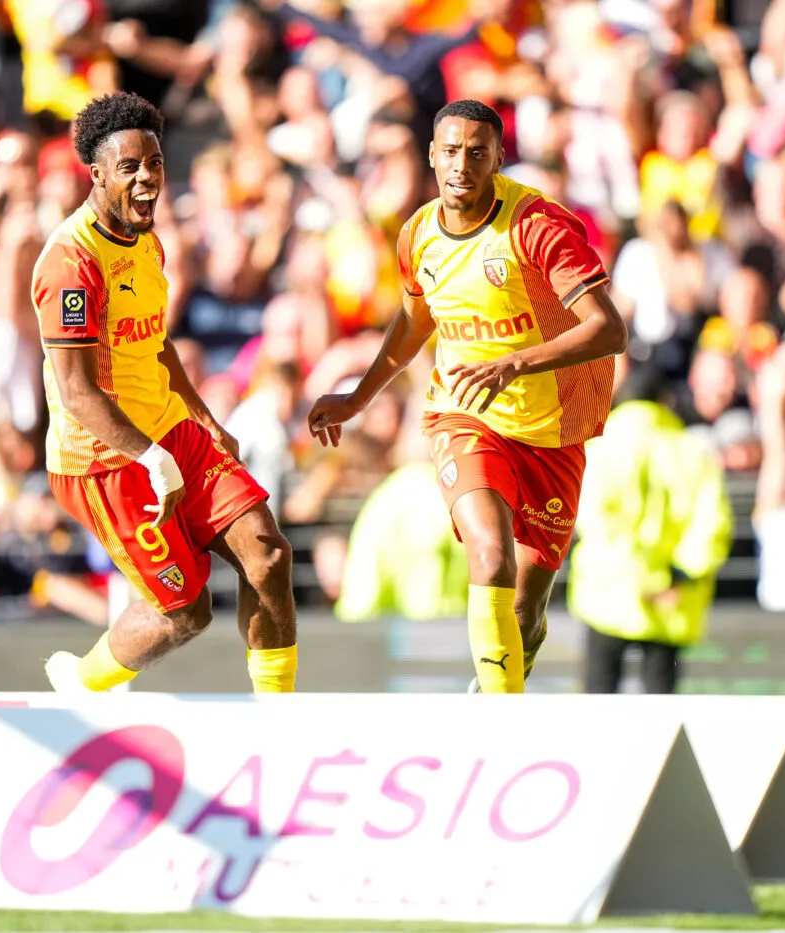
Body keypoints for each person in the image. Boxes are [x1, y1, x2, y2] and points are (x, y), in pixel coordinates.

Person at [308, 99, 628, 694]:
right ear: (432, 155)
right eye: (450, 151)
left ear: (498, 158)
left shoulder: (536, 227)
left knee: (527, 616)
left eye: (477, 153)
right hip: (465, 414)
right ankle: (497, 727)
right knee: (490, 552)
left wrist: (516, 363)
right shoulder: (418, 236)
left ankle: (487, 697)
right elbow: (412, 326)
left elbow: (609, 330)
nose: (462, 165)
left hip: (554, 427)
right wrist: (359, 398)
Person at [34, 92, 297, 694]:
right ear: (96, 174)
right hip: (106, 457)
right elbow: (76, 392)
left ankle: (279, 726)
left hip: (173, 429)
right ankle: (81, 681)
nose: (148, 177)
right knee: (185, 612)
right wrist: (152, 458)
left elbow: (156, 342)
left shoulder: (147, 241)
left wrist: (203, 419)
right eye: (130, 167)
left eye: (153, 163)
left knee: (269, 558)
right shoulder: (71, 263)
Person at [567, 362, 733, 694]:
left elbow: (590, 516)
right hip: (670, 595)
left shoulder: (598, 448)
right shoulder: (694, 452)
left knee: (597, 695)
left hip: (607, 589)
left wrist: (633, 569)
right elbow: (713, 521)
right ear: (666, 401)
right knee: (661, 701)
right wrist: (679, 572)